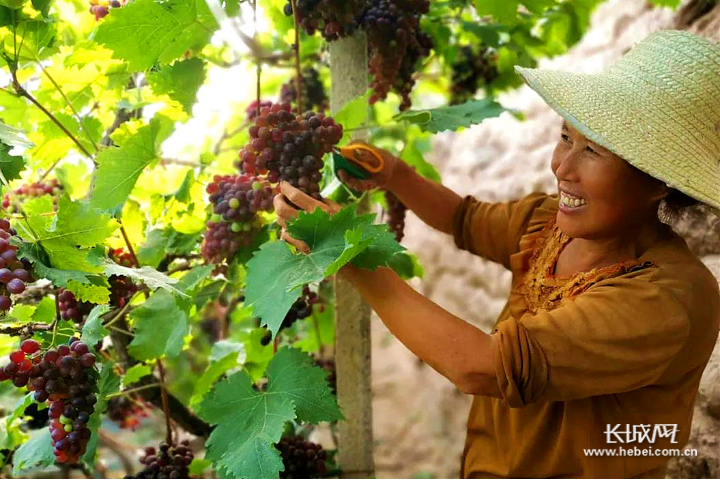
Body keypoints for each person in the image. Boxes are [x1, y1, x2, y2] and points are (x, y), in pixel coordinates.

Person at [274, 29, 720, 479]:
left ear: (658, 181)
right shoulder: (548, 225)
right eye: (566, 136)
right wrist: (394, 173)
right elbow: (461, 219)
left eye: (593, 151)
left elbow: (481, 369)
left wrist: (356, 263)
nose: (562, 168)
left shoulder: (668, 299)